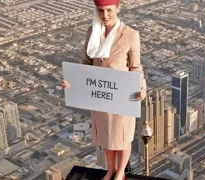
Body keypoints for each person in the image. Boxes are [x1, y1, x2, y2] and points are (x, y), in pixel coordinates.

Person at [62, 0, 146, 179]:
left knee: (122, 137)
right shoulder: (93, 31)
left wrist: (142, 88)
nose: (105, 15)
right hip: (100, 94)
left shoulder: (130, 34)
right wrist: (72, 82)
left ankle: (120, 172)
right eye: (101, 11)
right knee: (107, 137)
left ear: (118, 8)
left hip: (122, 93)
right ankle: (111, 169)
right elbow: (86, 62)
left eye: (109, 10)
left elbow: (136, 67)